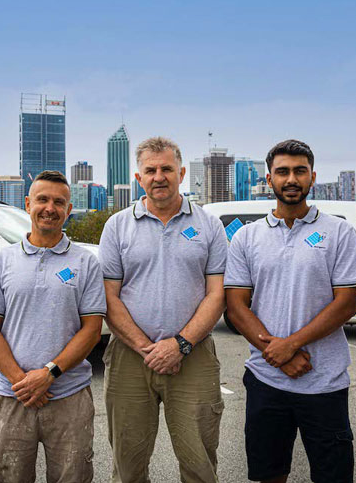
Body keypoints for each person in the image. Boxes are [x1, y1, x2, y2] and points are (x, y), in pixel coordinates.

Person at [225, 139, 356, 483]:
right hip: (265, 379)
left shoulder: (339, 232)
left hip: (325, 382)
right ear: (269, 179)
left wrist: (290, 345)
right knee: (270, 474)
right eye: (283, 171)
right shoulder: (247, 237)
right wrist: (278, 355)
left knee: (333, 476)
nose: (291, 179)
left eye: (300, 171)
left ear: (312, 176)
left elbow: (346, 303)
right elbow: (236, 305)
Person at [98, 136, 227, 483]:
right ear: (138, 177)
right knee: (127, 465)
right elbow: (109, 297)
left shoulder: (208, 226)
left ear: (181, 173)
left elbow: (216, 294)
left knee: (200, 465)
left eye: (167, 169)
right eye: (150, 170)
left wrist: (180, 344)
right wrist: (147, 348)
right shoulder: (117, 226)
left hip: (194, 354)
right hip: (129, 356)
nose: (159, 177)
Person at [0, 170, 106, 483]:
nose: (50, 208)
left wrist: (48, 374)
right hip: (11, 396)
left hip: (69, 396)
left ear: (69, 209)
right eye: (42, 199)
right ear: (27, 204)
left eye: (59, 202)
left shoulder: (86, 262)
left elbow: (91, 329)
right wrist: (23, 382)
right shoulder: (2, 261)